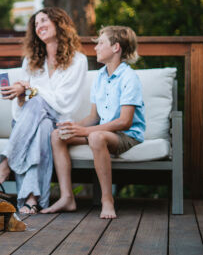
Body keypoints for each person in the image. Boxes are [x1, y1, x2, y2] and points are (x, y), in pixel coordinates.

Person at [0, 7, 88, 214]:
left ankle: (5, 166)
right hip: (34, 122)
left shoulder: (78, 61)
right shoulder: (31, 63)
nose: (39, 26)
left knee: (44, 115)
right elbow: (22, 109)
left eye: (44, 21)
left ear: (59, 24)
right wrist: (22, 96)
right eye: (36, 24)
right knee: (43, 126)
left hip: (60, 120)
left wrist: (31, 89)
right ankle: (32, 198)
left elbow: (64, 101)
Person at [41, 25, 145, 219]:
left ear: (116, 47)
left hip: (126, 136)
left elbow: (125, 122)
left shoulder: (129, 77)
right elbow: (93, 117)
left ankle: (107, 200)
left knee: (96, 137)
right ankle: (67, 198)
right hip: (104, 132)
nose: (96, 47)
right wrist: (74, 128)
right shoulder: (100, 77)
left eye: (101, 43)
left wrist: (85, 132)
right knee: (58, 135)